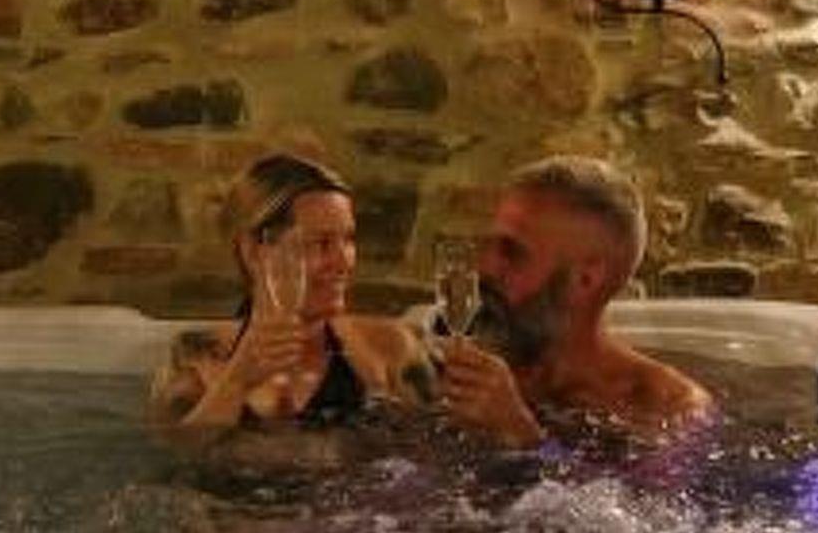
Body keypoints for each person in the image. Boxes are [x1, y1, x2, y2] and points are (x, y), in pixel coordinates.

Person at [439, 155, 711, 446]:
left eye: (513, 252)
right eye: (488, 245)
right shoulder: (462, 369)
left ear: (585, 279)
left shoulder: (666, 406)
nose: (484, 267)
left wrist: (522, 436)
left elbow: (646, 481)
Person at [152, 153, 432, 430]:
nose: (343, 261)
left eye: (348, 239)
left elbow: (434, 443)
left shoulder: (390, 348)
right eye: (321, 243)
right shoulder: (197, 358)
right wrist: (237, 382)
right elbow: (172, 451)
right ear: (254, 252)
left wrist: (463, 414)